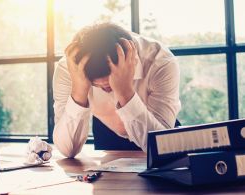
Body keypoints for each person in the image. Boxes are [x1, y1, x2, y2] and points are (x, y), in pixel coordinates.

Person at [53, 23, 181, 158]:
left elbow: (162, 147)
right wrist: (79, 91)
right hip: (107, 128)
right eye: (96, 85)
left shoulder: (161, 62)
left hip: (155, 124)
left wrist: (125, 91)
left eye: (109, 83)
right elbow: (67, 150)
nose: (105, 88)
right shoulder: (68, 69)